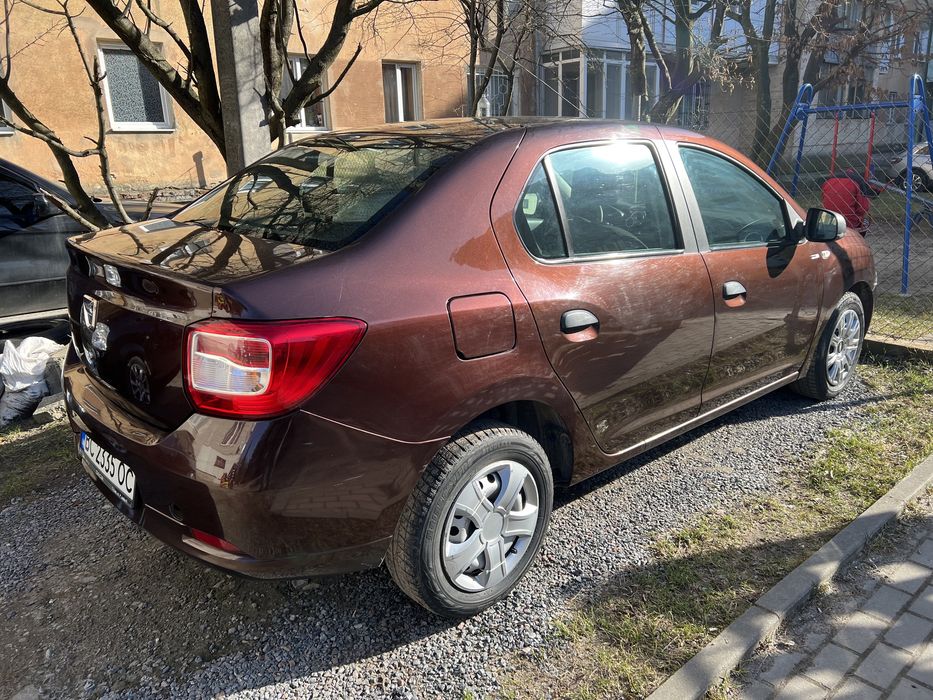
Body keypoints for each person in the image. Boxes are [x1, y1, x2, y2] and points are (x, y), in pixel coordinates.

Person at [821, 169, 871, 235]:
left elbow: (824, 200)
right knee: (865, 221)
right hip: (849, 224)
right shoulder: (858, 181)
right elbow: (863, 208)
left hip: (829, 221)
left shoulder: (828, 180)